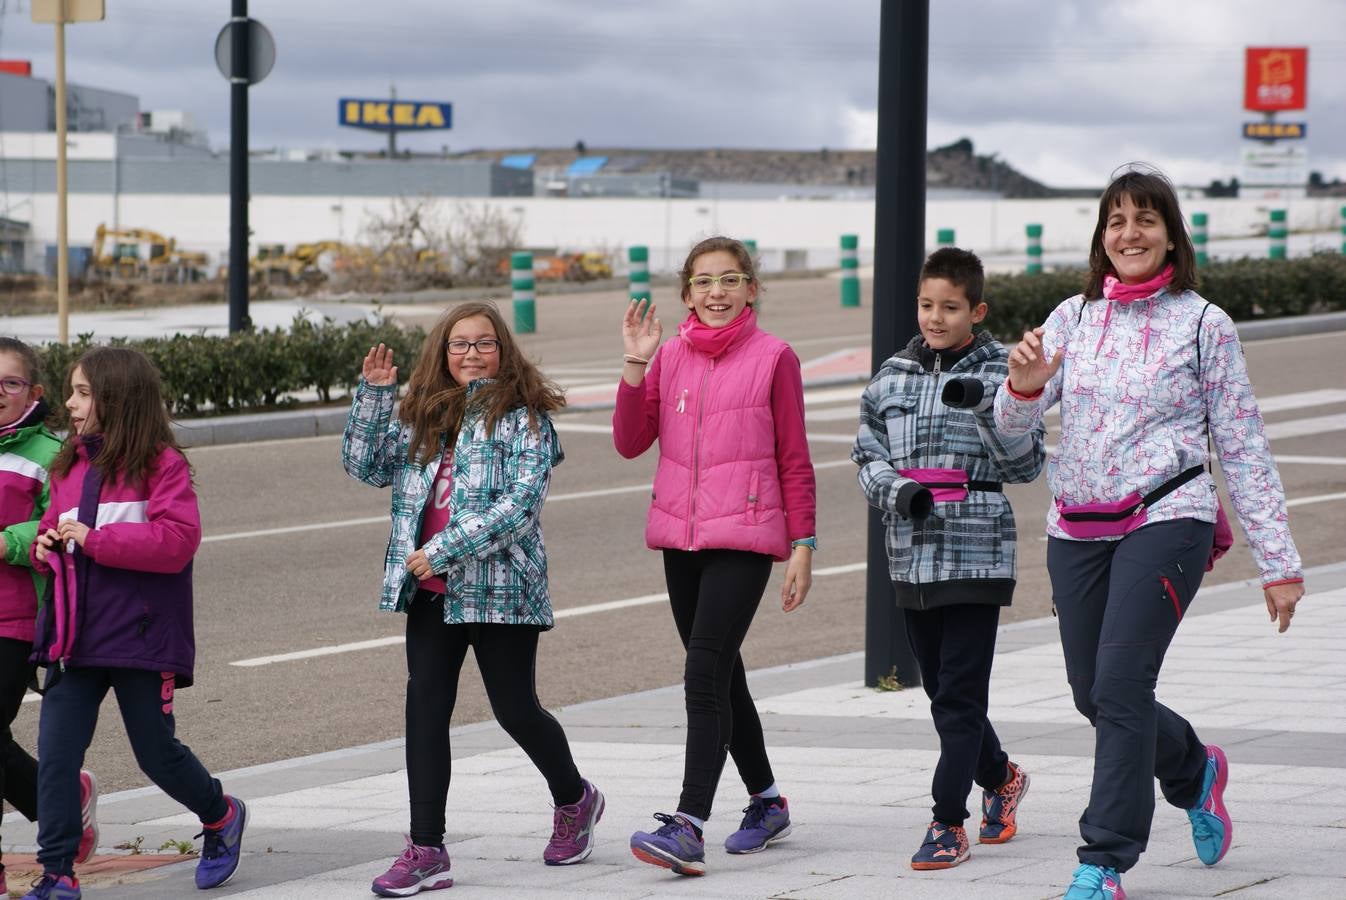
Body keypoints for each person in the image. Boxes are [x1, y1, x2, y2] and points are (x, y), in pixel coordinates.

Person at [994, 166, 1305, 900]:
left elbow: (1243, 446)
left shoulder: (1204, 324)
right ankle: (1196, 770)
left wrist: (1278, 562)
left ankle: (1103, 861)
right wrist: (1025, 388)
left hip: (1169, 516)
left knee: (1123, 684)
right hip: (1077, 527)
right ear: (1102, 238)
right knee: (1092, 692)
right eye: (1116, 221)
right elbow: (1013, 440)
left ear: (1171, 236)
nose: (1129, 234)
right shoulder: (1071, 318)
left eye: (1145, 220)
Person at [343, 302, 604, 897]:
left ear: (503, 351)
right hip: (431, 593)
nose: (470, 354)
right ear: (442, 352)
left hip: (502, 589)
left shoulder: (526, 420)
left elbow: (518, 507)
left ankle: (575, 798)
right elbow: (364, 466)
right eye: (459, 345)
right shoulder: (422, 416)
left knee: (515, 709)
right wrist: (375, 398)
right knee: (425, 711)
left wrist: (445, 549)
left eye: (483, 344)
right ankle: (427, 849)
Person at [615, 236, 816, 877]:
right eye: (703, 282)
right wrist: (635, 366)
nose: (717, 293)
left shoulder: (774, 357)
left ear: (751, 289)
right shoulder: (669, 356)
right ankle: (767, 801)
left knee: (702, 674)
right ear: (687, 294)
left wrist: (803, 545)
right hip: (681, 539)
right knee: (724, 674)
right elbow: (628, 442)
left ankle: (689, 823)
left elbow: (794, 459)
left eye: (730, 280)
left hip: (746, 538)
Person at [27, 347, 246, 900]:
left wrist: (95, 541)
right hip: (75, 639)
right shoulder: (70, 465)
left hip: (141, 640)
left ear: (117, 399)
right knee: (55, 759)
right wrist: (45, 543)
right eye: (71, 392)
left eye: (82, 393)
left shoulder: (161, 465)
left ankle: (220, 815)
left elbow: (176, 543)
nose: (71, 404)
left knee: (155, 754)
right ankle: (56, 874)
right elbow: (54, 531)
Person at [853, 247, 1045, 871]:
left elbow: (1026, 464)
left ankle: (946, 821)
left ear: (977, 310)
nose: (936, 318)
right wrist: (896, 491)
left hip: (979, 550)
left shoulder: (1003, 370)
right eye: (927, 305)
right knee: (942, 693)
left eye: (950, 307)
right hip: (910, 554)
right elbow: (866, 454)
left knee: (960, 695)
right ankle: (1002, 775)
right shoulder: (890, 375)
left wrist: (991, 409)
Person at [0, 339, 100, 895]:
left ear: (34, 394)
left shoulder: (49, 454)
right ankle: (60, 800)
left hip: (14, 618)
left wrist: (8, 543)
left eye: (10, 383)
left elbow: (51, 518)